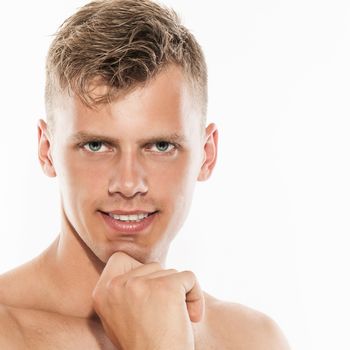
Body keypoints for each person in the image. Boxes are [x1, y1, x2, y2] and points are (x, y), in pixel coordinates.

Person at [0, 0, 290, 348]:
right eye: (96, 146)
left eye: (160, 147)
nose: (128, 183)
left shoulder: (252, 338)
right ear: (47, 150)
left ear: (207, 154)